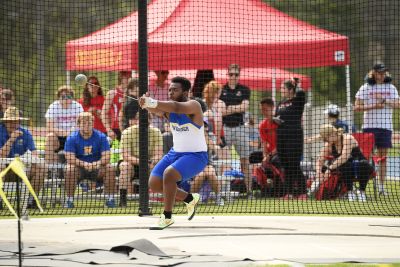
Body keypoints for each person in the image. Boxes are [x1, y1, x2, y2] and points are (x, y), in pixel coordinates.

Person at [139, 76, 208, 230]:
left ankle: (167, 216)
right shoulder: (169, 111)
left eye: (175, 90)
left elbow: (176, 107)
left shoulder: (194, 106)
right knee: (155, 184)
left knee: (169, 174)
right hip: (175, 153)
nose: (170, 92)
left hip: (196, 156)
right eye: (169, 90)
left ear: (185, 91)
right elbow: (157, 110)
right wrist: (145, 104)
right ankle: (189, 198)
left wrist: (153, 102)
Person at [354, 63, 400, 196]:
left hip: (385, 127)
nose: (382, 75)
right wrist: (373, 106)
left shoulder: (390, 87)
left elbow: (398, 104)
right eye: (379, 73)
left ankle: (381, 187)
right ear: (373, 73)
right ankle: (362, 188)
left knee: (383, 158)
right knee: (366, 157)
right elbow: (356, 107)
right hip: (369, 127)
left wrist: (384, 101)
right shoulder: (365, 87)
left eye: (384, 73)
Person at [63, 112, 116, 208]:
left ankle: (110, 199)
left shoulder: (101, 137)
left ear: (93, 124)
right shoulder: (72, 138)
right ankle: (69, 200)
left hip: (97, 168)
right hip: (79, 169)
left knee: (110, 168)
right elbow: (69, 157)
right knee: (69, 169)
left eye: (89, 123)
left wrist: (97, 163)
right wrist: (84, 164)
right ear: (78, 125)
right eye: (84, 123)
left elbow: (107, 157)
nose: (87, 125)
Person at [311, 124, 373, 201]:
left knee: (362, 164)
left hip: (360, 167)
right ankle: (350, 192)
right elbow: (320, 160)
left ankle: (361, 192)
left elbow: (344, 157)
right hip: (345, 170)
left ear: (332, 134)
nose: (325, 141)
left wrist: (329, 169)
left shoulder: (348, 138)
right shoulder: (329, 145)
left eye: (326, 139)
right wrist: (318, 172)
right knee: (342, 165)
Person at [0, 107, 46, 209]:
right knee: (0, 165)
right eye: (10, 121)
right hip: (4, 171)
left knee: (41, 167)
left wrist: (29, 160)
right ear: (5, 122)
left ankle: (31, 200)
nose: (13, 124)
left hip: (22, 170)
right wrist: (11, 139)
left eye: (16, 121)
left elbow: (35, 154)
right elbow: (1, 156)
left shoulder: (25, 133)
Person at [219, 64, 252, 197]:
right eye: (231, 74)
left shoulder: (244, 89)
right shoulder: (221, 89)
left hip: (240, 128)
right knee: (223, 161)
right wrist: (235, 108)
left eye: (236, 74)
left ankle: (249, 191)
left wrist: (229, 109)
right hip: (224, 128)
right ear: (228, 75)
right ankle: (222, 192)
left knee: (245, 160)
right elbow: (220, 111)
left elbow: (244, 107)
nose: (233, 77)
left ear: (239, 75)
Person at [119, 112, 163, 207]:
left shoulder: (156, 132)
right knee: (124, 166)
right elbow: (126, 155)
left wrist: (151, 161)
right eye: (141, 121)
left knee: (157, 165)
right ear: (136, 120)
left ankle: (152, 198)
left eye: (147, 121)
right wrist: (142, 162)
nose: (144, 123)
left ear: (151, 121)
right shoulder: (127, 133)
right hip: (132, 164)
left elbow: (158, 154)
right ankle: (122, 199)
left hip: (149, 163)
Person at [275, 78, 307, 199]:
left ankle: (303, 192)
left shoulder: (297, 101)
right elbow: (276, 116)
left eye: (283, 88)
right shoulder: (281, 103)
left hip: (294, 136)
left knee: (294, 164)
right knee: (285, 165)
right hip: (281, 136)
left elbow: (302, 93)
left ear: (290, 90)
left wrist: (297, 85)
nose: (280, 90)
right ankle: (288, 193)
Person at [45, 86, 84, 163]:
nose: (66, 99)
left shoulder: (77, 106)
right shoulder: (53, 107)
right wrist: (64, 133)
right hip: (58, 138)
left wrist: (72, 132)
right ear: (59, 98)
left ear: (72, 98)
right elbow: (49, 127)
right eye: (63, 96)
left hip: (74, 137)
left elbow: (82, 124)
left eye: (68, 96)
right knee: (50, 137)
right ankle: (52, 170)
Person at [102, 71, 131, 140]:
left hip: (130, 128)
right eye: (126, 76)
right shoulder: (112, 93)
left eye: (130, 76)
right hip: (115, 130)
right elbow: (104, 113)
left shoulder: (134, 93)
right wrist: (108, 129)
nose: (128, 79)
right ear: (120, 76)